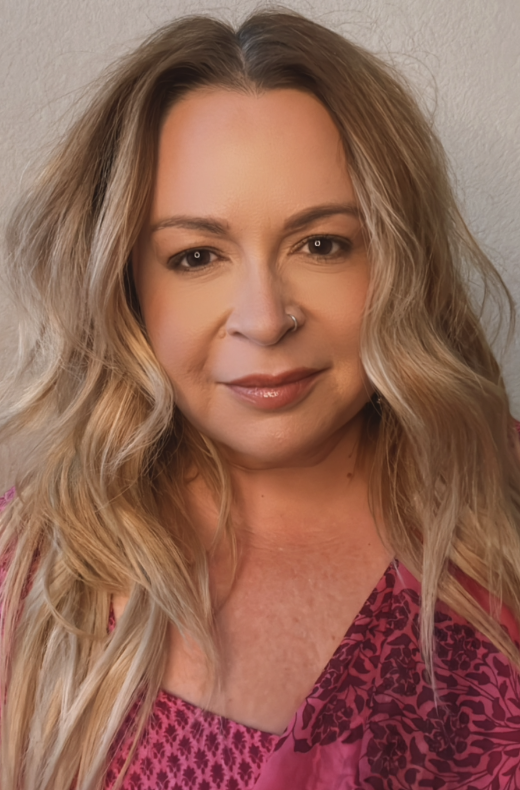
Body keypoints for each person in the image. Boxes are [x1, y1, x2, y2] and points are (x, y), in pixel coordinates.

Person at [1, 9, 519, 790]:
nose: (266, 319)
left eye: (322, 244)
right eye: (196, 256)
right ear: (125, 285)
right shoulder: (26, 578)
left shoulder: (505, 511)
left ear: (398, 260)